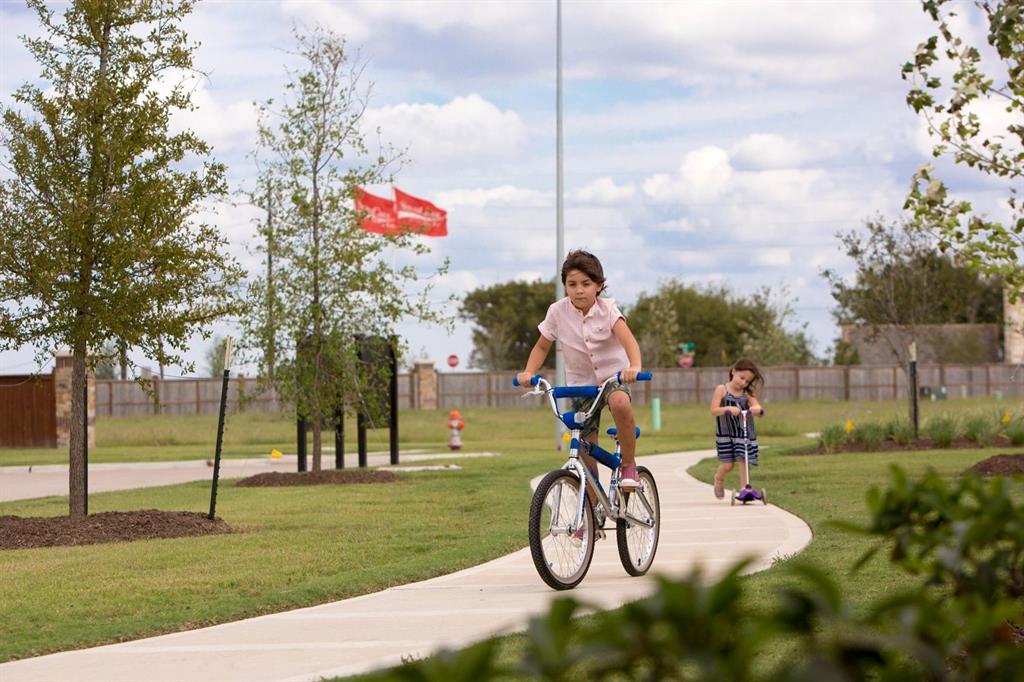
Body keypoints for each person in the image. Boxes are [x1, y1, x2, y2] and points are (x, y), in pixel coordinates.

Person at [516, 249, 644, 492]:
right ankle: (590, 510)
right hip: (580, 384)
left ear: (599, 285)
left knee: (619, 403)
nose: (579, 290)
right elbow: (542, 345)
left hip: (612, 378)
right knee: (584, 444)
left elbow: (629, 341)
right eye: (572, 284)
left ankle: (628, 464)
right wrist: (529, 372)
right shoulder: (557, 311)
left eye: (586, 283)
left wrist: (634, 366)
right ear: (564, 286)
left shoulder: (608, 309)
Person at [710, 358, 765, 499]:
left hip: (743, 431)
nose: (743, 383)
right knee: (728, 465)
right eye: (741, 378)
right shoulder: (721, 389)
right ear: (733, 371)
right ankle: (719, 478)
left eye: (747, 381)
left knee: (743, 459)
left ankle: (744, 489)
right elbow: (714, 410)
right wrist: (727, 408)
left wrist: (756, 409)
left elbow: (758, 407)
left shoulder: (748, 393)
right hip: (726, 432)